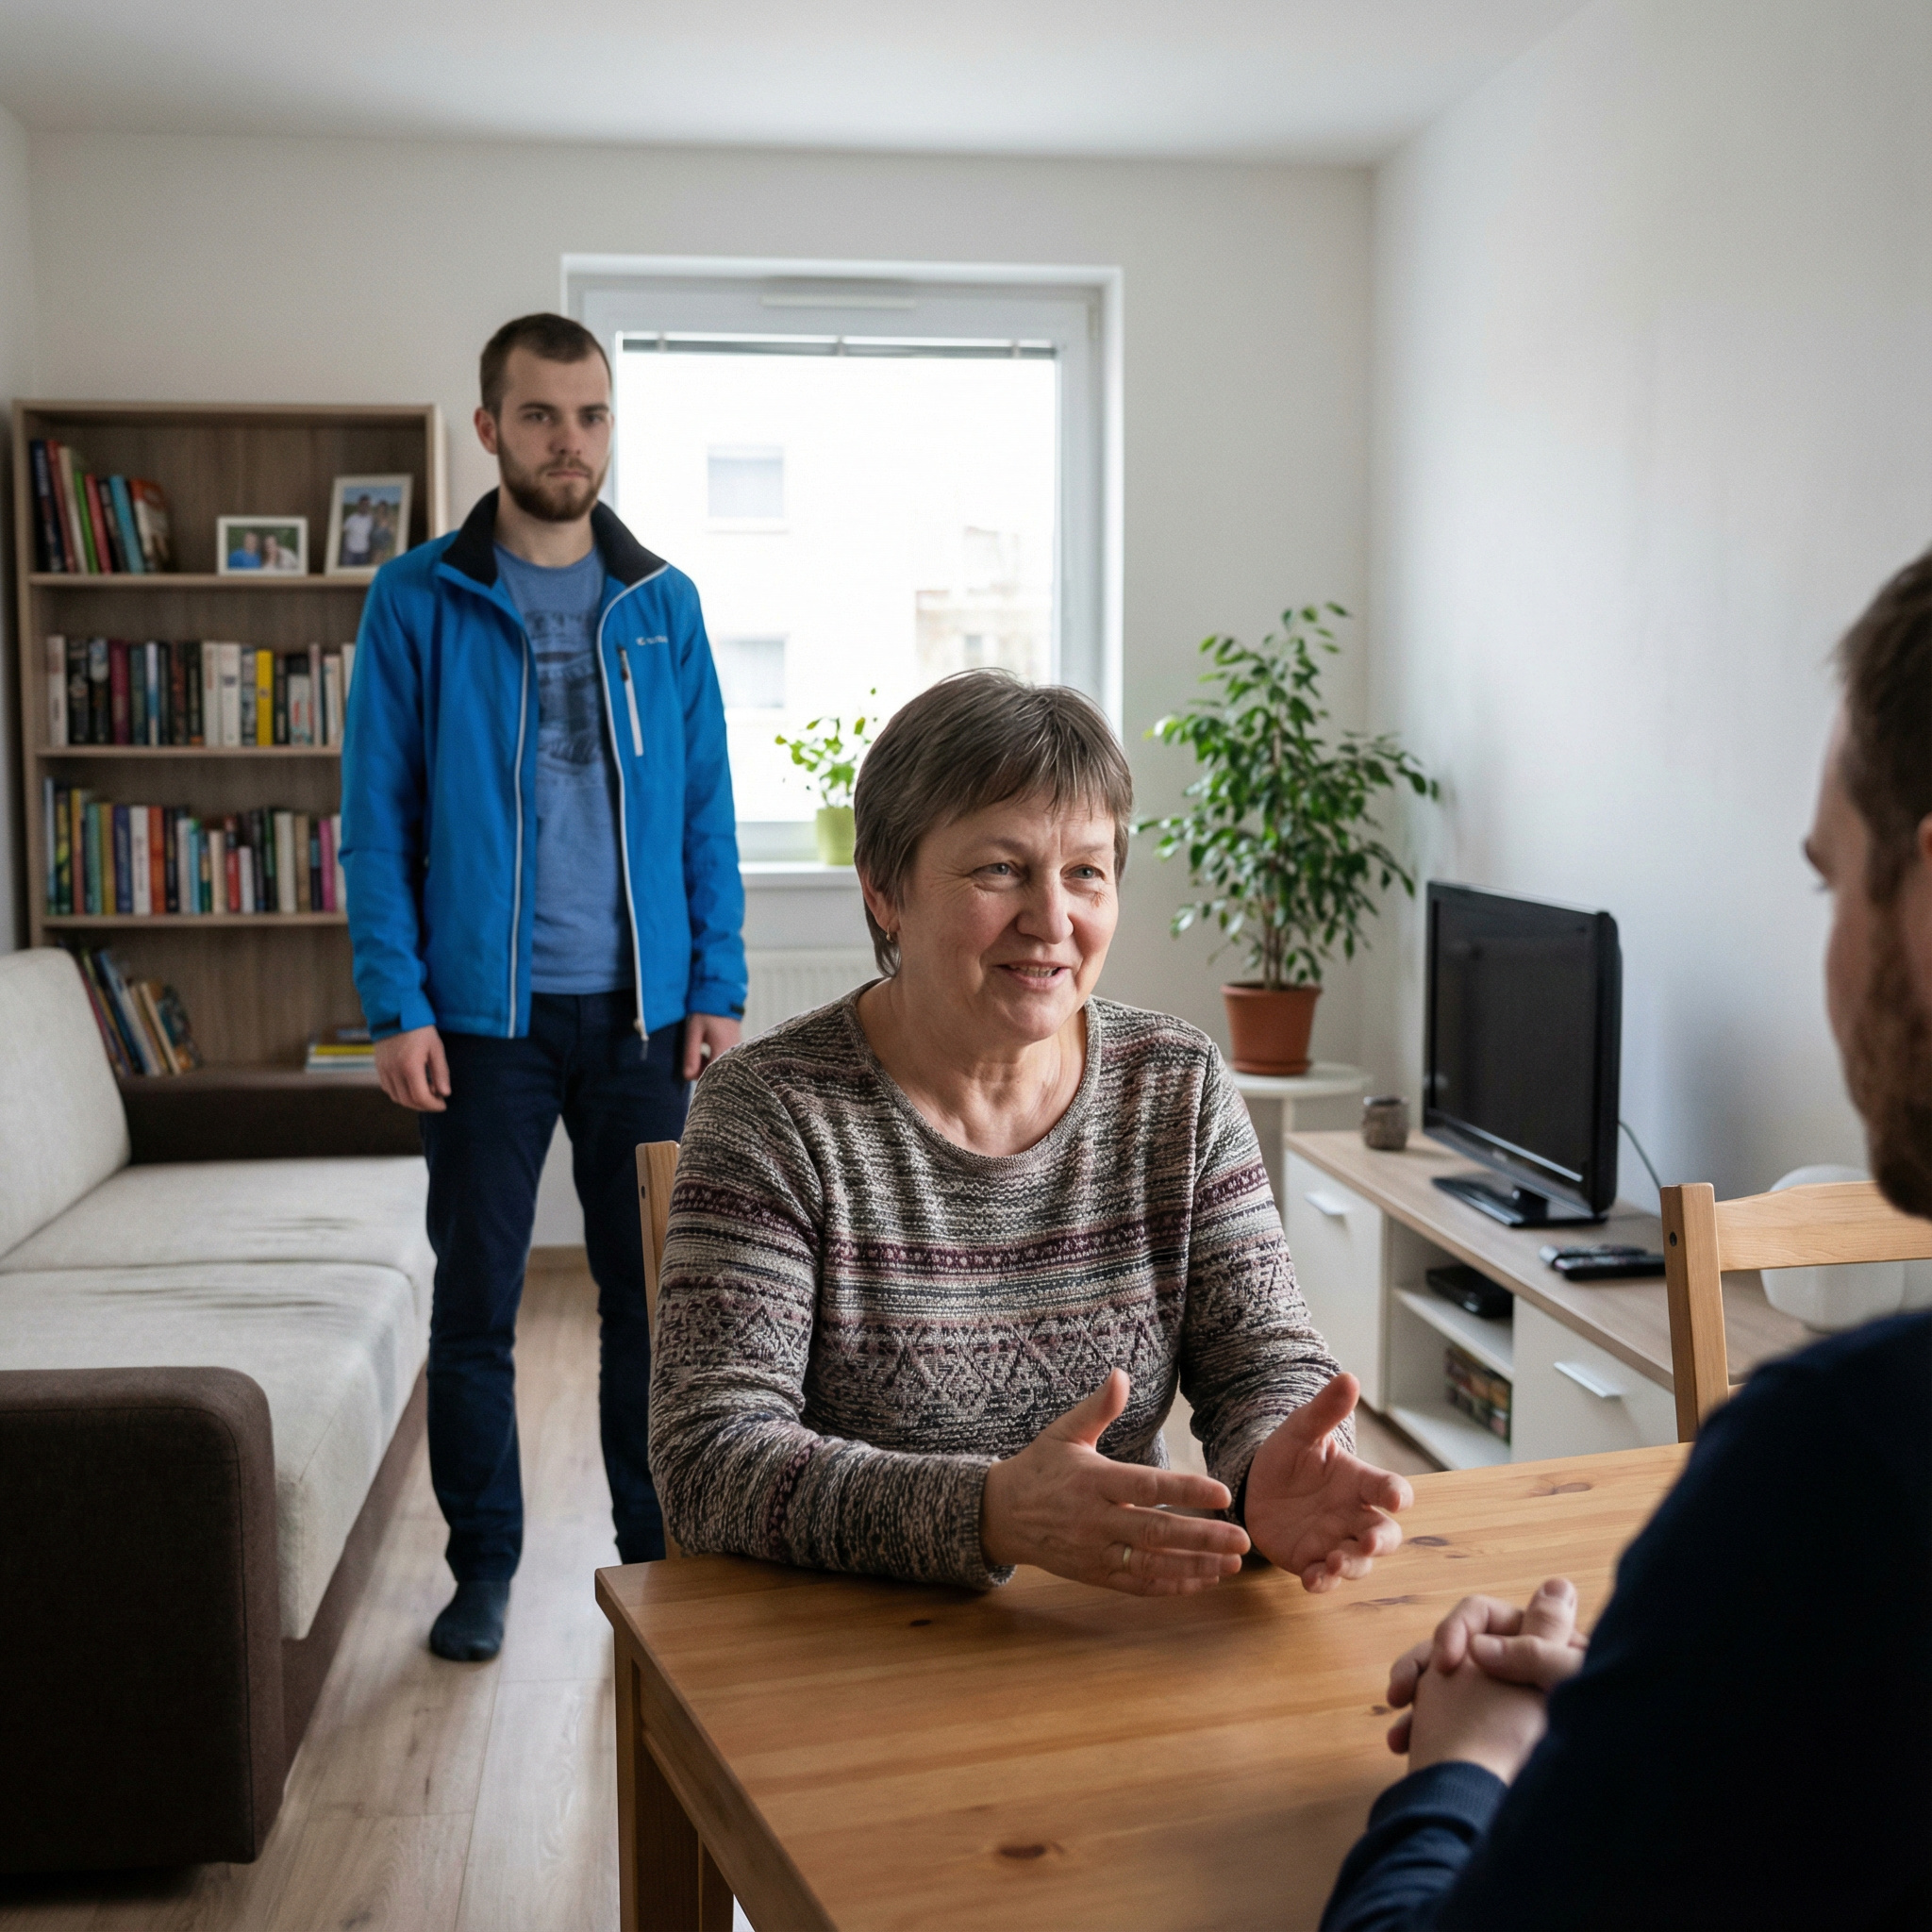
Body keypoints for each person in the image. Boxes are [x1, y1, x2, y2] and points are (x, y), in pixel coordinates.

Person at [1320, 554, 1932, 1931]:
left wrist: (1471, 1759)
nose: (1830, 962)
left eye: (1834, 888)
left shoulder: (1839, 1461)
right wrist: (1669, 1685)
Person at [650, 671, 1413, 1596]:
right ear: (884, 889)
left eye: (1085, 870)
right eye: (998, 869)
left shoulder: (1172, 1083)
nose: (1052, 921)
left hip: (1118, 1615)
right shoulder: (768, 1109)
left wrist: (1272, 1471)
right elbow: (709, 1459)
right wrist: (988, 1509)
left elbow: (1265, 1361)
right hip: (849, 1644)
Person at [341, 311, 746, 1663]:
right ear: (489, 429)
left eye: (591, 416)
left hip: (642, 1021)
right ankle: (485, 1571)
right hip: (481, 1026)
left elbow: (703, 815)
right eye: (541, 417)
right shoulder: (417, 600)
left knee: (655, 1309)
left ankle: (653, 1563)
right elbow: (377, 814)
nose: (569, 442)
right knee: (479, 1308)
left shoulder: (663, 605)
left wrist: (717, 986)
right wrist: (394, 1004)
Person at [341, 493, 375, 569]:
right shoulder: (351, 518)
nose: (365, 506)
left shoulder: (371, 519)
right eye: (363, 504)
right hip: (350, 552)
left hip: (364, 552)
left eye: (367, 504)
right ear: (359, 504)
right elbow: (343, 531)